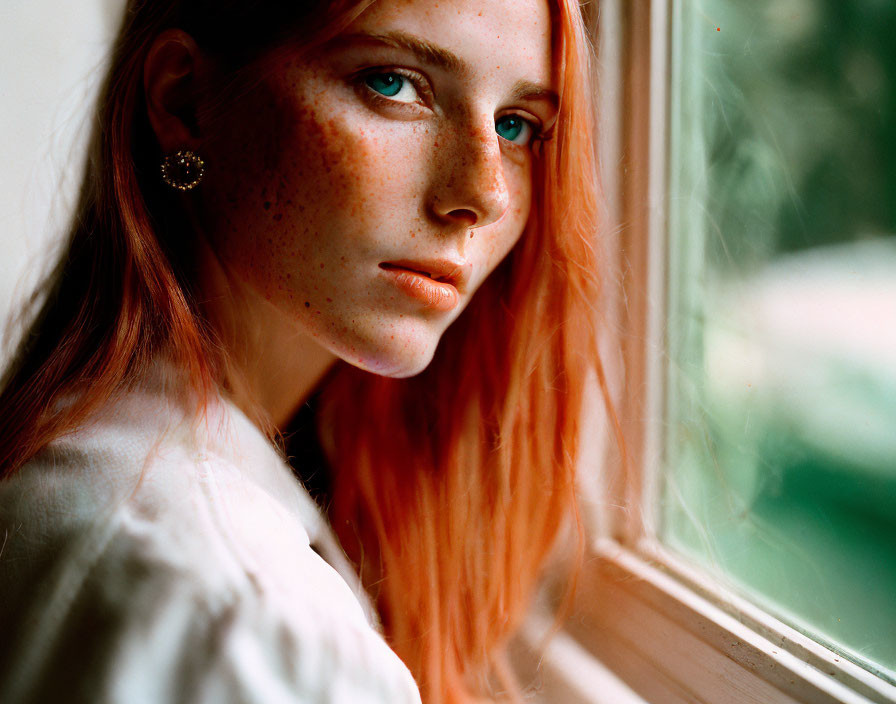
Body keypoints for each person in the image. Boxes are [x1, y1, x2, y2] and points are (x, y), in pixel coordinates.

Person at [0, 0, 608, 701]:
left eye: (516, 126)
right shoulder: (239, 618)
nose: (483, 192)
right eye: (394, 83)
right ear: (184, 98)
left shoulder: (75, 458)